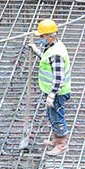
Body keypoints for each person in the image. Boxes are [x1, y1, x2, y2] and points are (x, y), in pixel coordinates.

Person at [30, 19, 72, 156]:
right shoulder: (53, 47)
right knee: (51, 115)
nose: (41, 39)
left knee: (57, 117)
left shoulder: (56, 53)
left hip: (58, 92)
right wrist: (37, 51)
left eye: (42, 36)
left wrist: (52, 94)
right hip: (50, 90)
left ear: (51, 36)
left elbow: (59, 78)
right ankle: (56, 139)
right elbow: (48, 61)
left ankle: (61, 144)